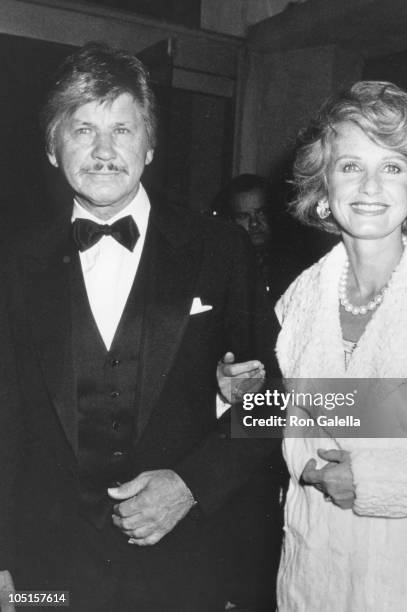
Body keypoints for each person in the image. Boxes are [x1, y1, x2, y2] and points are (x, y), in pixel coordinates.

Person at [1, 42, 281, 612]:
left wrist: (191, 485)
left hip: (184, 571)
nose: (104, 151)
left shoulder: (220, 248)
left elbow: (277, 400)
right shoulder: (13, 261)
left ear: (150, 144)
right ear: (53, 148)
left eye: (122, 130)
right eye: (82, 130)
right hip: (43, 573)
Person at [221, 81, 407, 611]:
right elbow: (314, 420)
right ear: (322, 186)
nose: (370, 186)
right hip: (313, 579)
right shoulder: (300, 298)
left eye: (392, 167)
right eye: (349, 166)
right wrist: (243, 396)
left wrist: (377, 480)